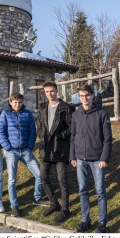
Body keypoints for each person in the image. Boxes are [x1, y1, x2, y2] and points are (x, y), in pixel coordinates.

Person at [70, 84, 112, 233]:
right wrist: (72, 156)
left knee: (100, 191)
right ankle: (85, 221)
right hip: (80, 158)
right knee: (83, 190)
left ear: (92, 96)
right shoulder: (76, 115)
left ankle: (102, 223)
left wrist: (104, 158)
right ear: (79, 97)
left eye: (87, 95)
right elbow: (73, 137)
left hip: (97, 159)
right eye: (81, 96)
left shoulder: (102, 114)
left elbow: (107, 139)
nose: (84, 98)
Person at [0, 92, 45, 217]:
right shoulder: (5, 114)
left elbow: (32, 131)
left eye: (19, 102)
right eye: (15, 102)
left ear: (22, 102)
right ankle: (14, 206)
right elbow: (0, 132)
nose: (17, 105)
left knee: (40, 174)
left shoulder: (27, 114)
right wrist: (7, 147)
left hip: (25, 151)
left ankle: (37, 198)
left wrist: (30, 146)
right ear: (10, 103)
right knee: (12, 180)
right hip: (11, 151)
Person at [37, 81, 75, 223]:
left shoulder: (66, 108)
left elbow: (72, 128)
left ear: (57, 91)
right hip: (46, 149)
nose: (49, 94)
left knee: (62, 180)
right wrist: (41, 135)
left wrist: (59, 136)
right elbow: (40, 125)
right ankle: (54, 203)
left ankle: (65, 209)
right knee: (43, 176)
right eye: (46, 92)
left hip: (61, 149)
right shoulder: (42, 107)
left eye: (52, 91)